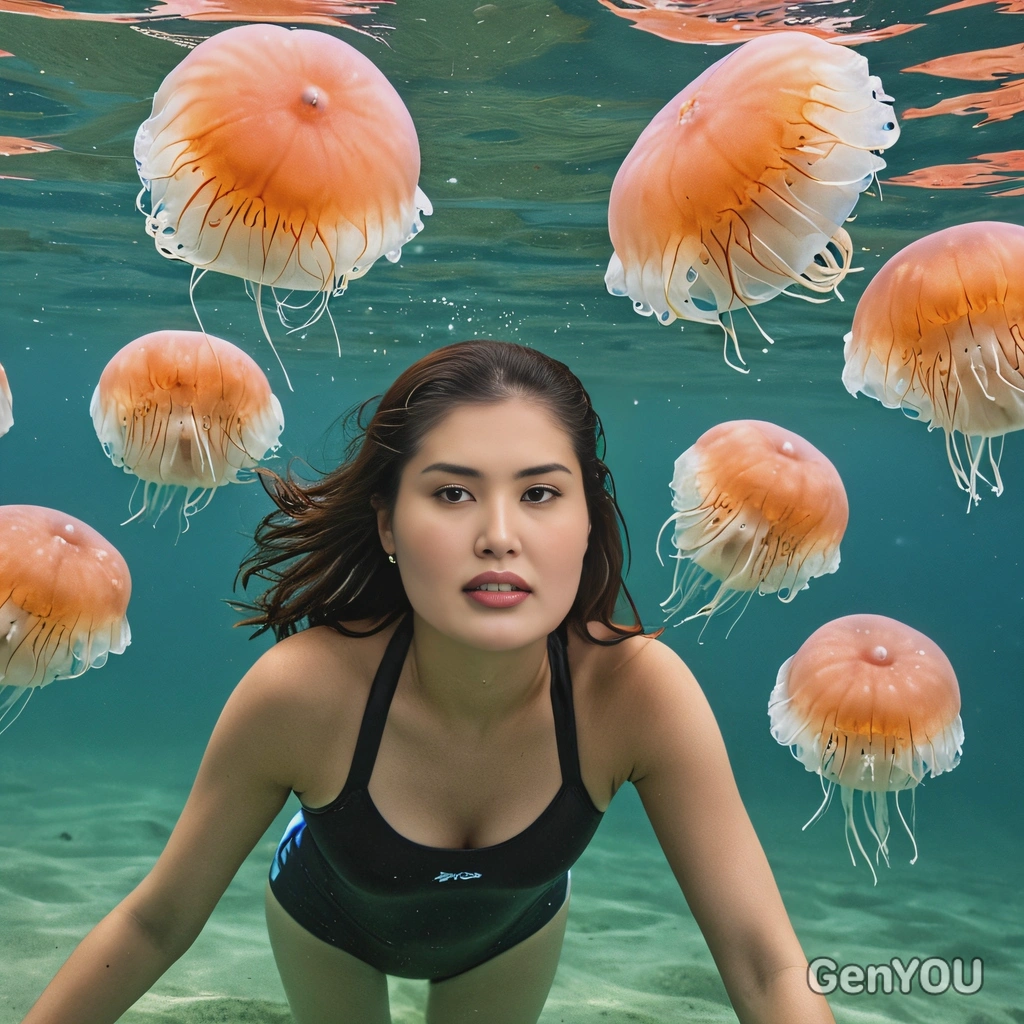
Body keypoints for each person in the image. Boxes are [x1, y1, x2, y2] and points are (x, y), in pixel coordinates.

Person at [23, 341, 835, 1024]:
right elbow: (155, 922)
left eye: (542, 493)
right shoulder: (300, 693)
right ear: (386, 521)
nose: (499, 537)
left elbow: (765, 965)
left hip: (511, 935)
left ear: (588, 518)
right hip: (325, 924)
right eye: (452, 493)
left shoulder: (637, 693)